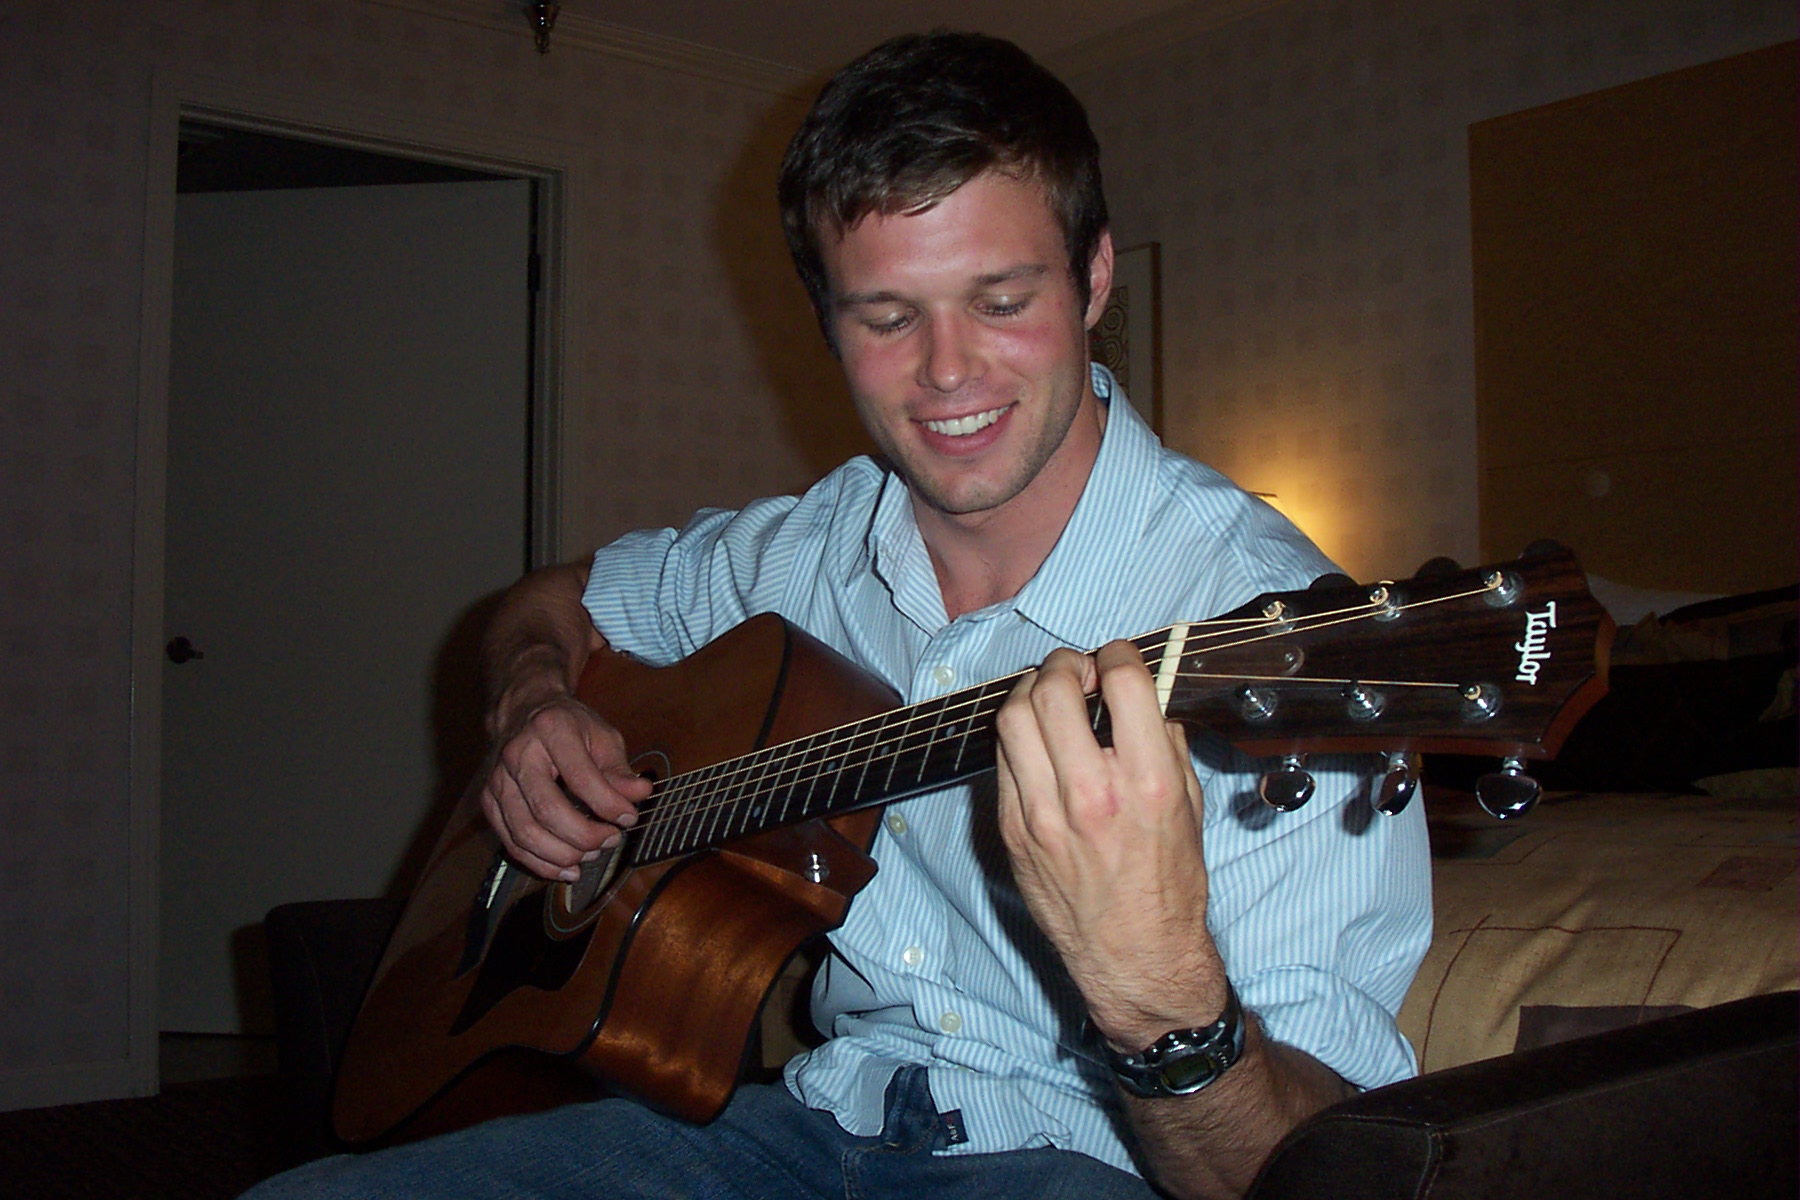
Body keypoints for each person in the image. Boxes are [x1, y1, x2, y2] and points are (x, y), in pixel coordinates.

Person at [245, 30, 1430, 1200]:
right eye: (887, 317)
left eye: (1001, 299)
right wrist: (531, 700)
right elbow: (553, 599)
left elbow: (1293, 1179)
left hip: (1088, 1164)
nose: (948, 371)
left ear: (1094, 279)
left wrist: (1163, 1003)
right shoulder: (806, 548)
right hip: (810, 1126)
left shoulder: (1274, 629)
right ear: (826, 323)